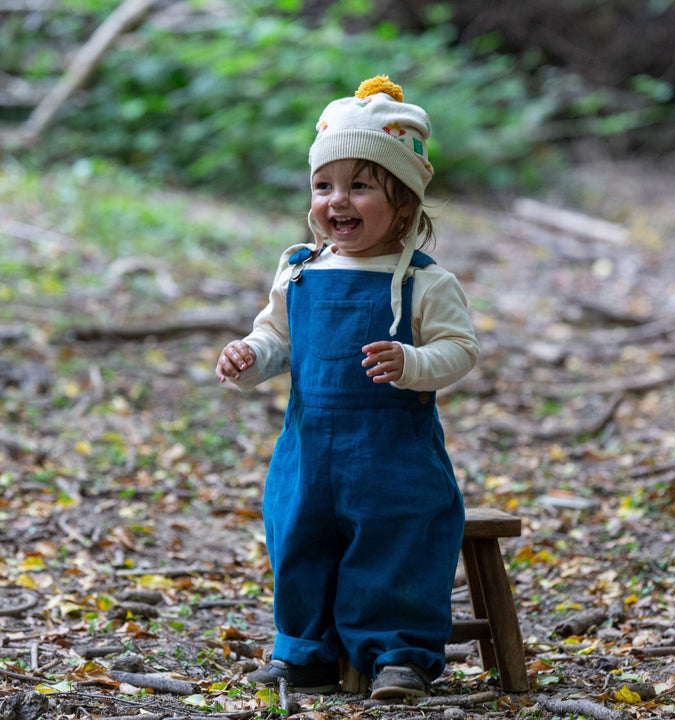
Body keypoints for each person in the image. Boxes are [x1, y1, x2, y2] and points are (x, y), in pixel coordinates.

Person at [215, 75, 480, 699]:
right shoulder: (301, 269)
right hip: (309, 447)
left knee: (396, 541)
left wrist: (413, 362)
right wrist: (250, 356)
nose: (338, 200)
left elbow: (461, 350)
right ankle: (304, 652)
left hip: (392, 451)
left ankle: (399, 656)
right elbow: (278, 338)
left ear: (406, 203)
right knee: (299, 537)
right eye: (324, 185)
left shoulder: (424, 280)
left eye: (361, 186)